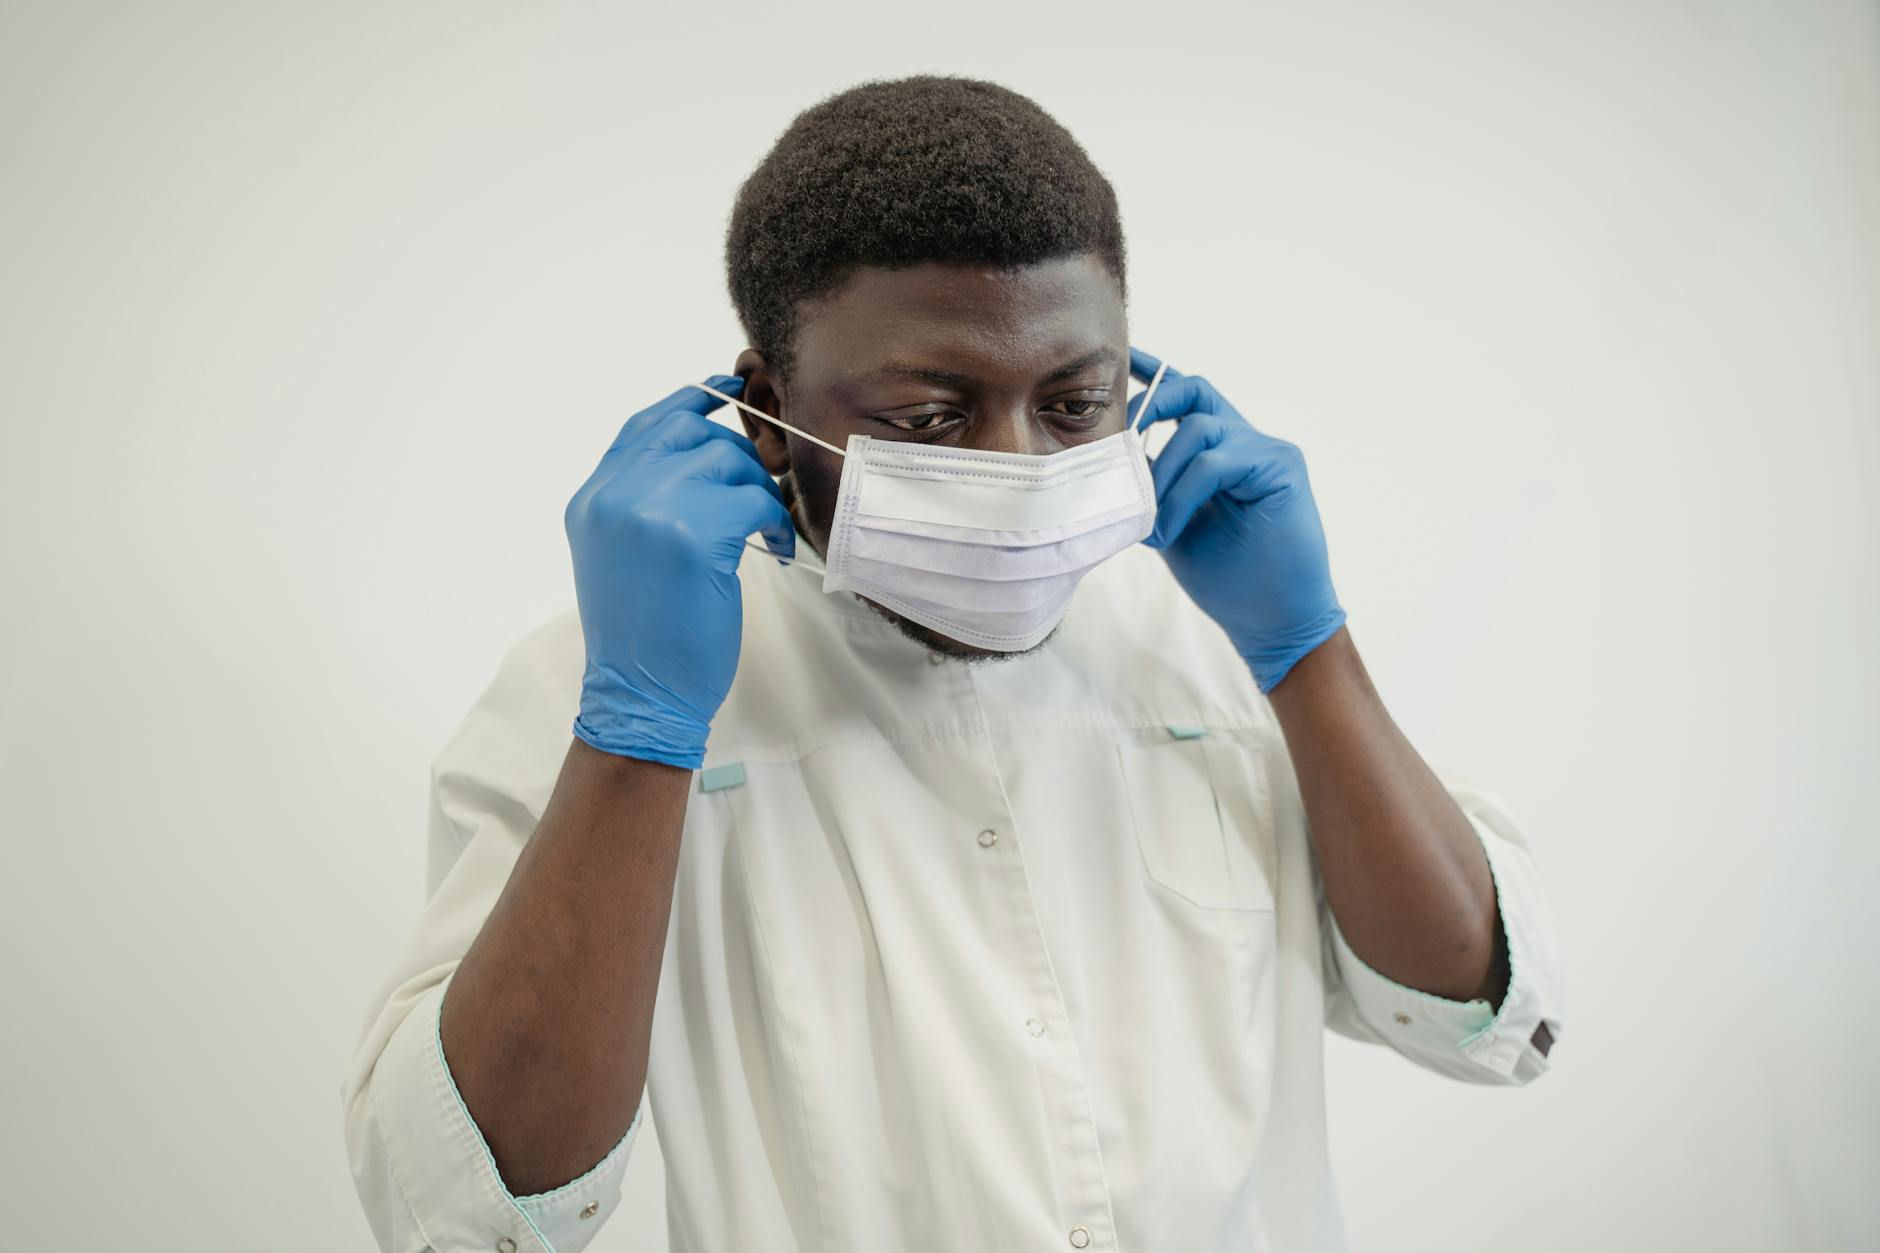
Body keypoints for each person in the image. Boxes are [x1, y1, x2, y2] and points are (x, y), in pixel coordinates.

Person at [339, 74, 1565, 1253]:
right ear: (765, 408)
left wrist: (1309, 652)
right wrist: (640, 731)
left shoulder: (1213, 649)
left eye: (1073, 403)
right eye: (930, 417)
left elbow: (1471, 1009)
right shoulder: (599, 694)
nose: (1019, 469)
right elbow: (479, 1206)